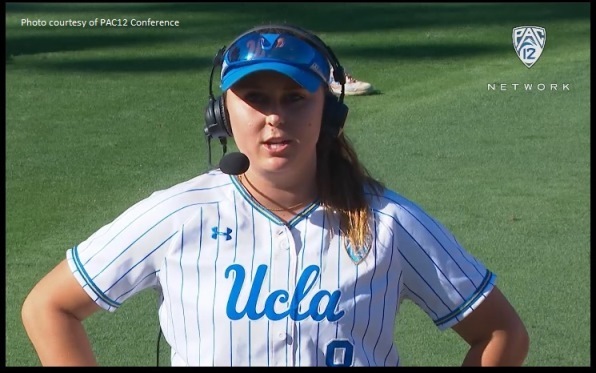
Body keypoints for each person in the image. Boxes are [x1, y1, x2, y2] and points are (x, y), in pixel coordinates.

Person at [21, 24, 529, 367]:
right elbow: (49, 306)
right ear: (223, 115)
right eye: (255, 99)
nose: (274, 117)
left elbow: (501, 332)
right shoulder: (179, 216)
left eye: (294, 98)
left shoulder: (386, 222)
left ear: (328, 113)